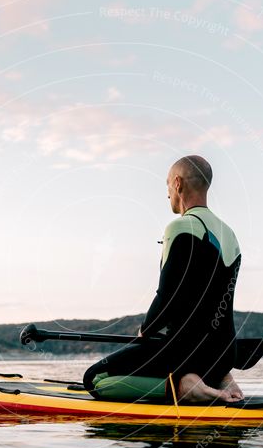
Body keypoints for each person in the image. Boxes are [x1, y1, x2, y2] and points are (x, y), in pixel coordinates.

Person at [83, 155, 244, 403]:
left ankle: (183, 388)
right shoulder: (230, 234)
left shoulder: (181, 227)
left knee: (95, 378)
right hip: (223, 352)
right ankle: (218, 377)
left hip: (185, 350)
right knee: (176, 356)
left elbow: (168, 296)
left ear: (178, 183)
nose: (168, 194)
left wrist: (145, 330)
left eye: (168, 185)